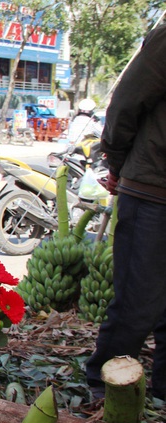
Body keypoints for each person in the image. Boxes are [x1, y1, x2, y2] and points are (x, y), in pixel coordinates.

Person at [85, 23, 166, 401]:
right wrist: (116, 161)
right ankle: (103, 386)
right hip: (152, 186)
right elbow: (125, 102)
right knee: (138, 298)